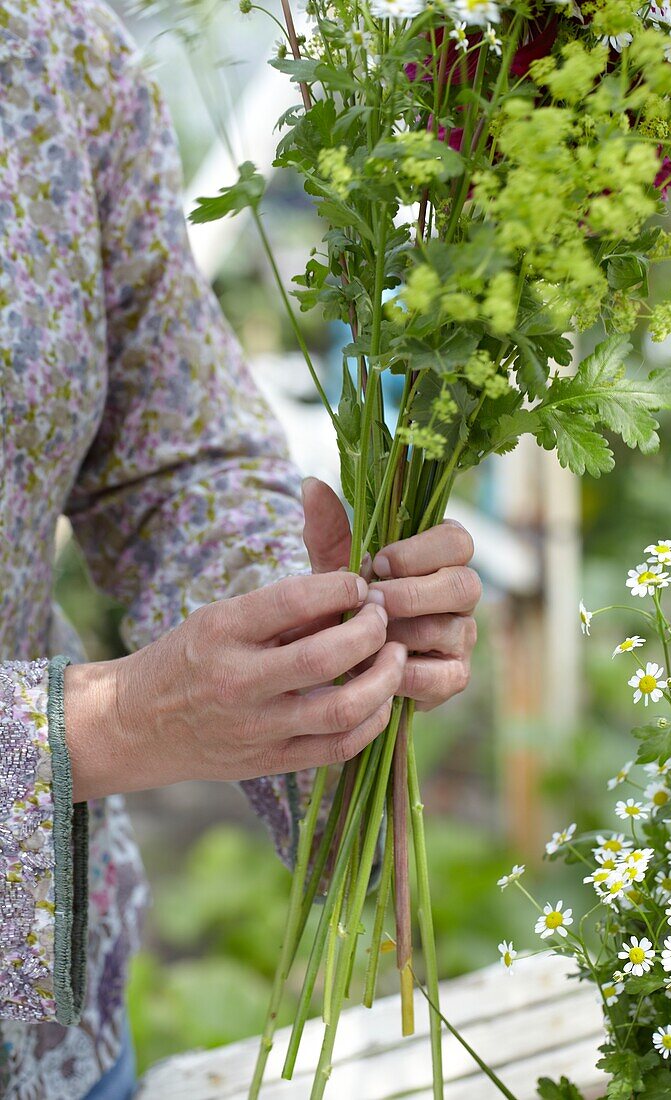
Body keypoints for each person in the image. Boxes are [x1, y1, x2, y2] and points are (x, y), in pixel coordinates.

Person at [0, 1, 481, 1097]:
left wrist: (310, 654)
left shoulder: (49, 50)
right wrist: (112, 724)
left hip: (42, 1019)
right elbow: (122, 720)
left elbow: (176, 457)